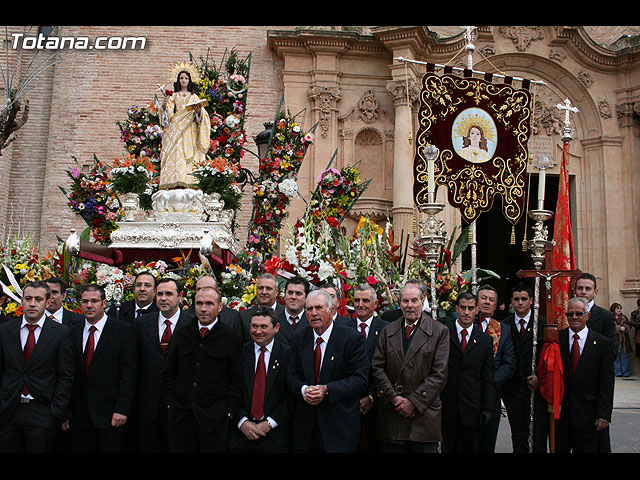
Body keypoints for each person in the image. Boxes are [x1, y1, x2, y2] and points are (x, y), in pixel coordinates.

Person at [161, 285, 243, 453]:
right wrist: (170, 403)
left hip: (214, 421)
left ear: (220, 307)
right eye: (199, 303)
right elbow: (168, 372)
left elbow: (237, 379)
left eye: (209, 304)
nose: (203, 309)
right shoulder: (182, 334)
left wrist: (228, 412)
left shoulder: (231, 337)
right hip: (181, 419)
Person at [371, 280, 450, 453]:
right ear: (399, 303)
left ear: (422, 301)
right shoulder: (388, 331)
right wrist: (394, 398)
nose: (410, 305)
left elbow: (439, 374)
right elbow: (377, 368)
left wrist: (413, 402)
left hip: (424, 416)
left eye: (414, 300)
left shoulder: (439, 332)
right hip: (393, 415)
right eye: (405, 301)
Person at [286, 289, 369, 453]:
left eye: (319, 308)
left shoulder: (351, 338)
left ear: (331, 311)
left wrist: (327, 390)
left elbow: (360, 379)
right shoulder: (299, 337)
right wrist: (304, 390)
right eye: (309, 309)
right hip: (306, 429)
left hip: (339, 428)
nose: (313, 313)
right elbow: (290, 374)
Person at [0, 281, 74, 452]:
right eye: (28, 298)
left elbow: (65, 376)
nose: (32, 303)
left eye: (38, 299)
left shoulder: (61, 333)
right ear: (21, 301)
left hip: (42, 411)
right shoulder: (5, 331)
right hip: (9, 410)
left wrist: (56, 411)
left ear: (47, 302)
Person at [65, 284, 137, 453]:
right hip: (79, 416)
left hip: (111, 415)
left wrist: (121, 409)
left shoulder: (123, 331)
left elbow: (129, 373)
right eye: (85, 301)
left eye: (94, 301)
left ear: (104, 303)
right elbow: (68, 374)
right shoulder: (72, 333)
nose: (89, 305)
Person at [131, 277, 193, 452]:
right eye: (160, 294)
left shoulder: (192, 324)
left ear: (180, 296)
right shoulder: (141, 324)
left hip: (181, 407)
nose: (163, 298)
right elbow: (133, 363)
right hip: (147, 407)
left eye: (169, 294)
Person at [228, 306, 293, 453]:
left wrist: (269, 423)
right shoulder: (239, 352)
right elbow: (229, 389)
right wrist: (242, 421)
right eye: (254, 326)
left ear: (276, 328)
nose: (258, 331)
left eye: (264, 326)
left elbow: (291, 396)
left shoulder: (287, 354)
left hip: (275, 436)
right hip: (240, 435)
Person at [555, 297, 614, 453]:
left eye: (579, 314)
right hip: (561, 415)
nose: (574, 317)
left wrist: (604, 414)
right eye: (570, 314)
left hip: (589, 415)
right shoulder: (556, 340)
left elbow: (606, 382)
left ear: (587, 316)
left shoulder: (602, 343)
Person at [441, 292, 497, 453]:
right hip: (447, 409)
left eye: (471, 308)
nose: (466, 312)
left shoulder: (485, 340)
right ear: (456, 308)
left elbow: (487, 377)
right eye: (463, 308)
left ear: (477, 310)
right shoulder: (444, 333)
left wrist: (488, 408)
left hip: (472, 410)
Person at [338, 283, 389, 452]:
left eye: (365, 301)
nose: (360, 305)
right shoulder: (342, 328)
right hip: (347, 403)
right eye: (357, 300)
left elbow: (390, 367)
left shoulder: (387, 329)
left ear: (375, 303)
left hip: (378, 405)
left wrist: (373, 397)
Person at [500, 282, 548, 453]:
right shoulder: (505, 325)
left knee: (538, 433)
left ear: (531, 300)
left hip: (536, 389)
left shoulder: (542, 323)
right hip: (513, 390)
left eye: (524, 299)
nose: (520, 303)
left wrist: (540, 378)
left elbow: (549, 356)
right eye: (516, 299)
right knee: (518, 434)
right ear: (511, 301)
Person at [574, 272, 616, 452]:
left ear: (595, 292)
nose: (583, 292)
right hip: (572, 396)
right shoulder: (568, 313)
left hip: (594, 390)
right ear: (574, 290)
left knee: (598, 443)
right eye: (580, 288)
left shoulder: (605, 316)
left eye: (588, 289)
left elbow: (611, 352)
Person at [475, 284, 516, 453]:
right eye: (483, 298)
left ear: (496, 305)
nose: (487, 302)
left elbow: (509, 363)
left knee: (487, 443)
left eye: (491, 300)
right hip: (466, 394)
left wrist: (491, 383)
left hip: (491, 395)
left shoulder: (503, 329)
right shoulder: (464, 324)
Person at [158, 66, 211, 190]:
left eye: (186, 78)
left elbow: (202, 115)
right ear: (178, 80)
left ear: (190, 80)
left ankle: (190, 180)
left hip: (190, 130)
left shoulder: (194, 97)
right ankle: (176, 179)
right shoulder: (174, 96)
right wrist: (164, 107)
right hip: (176, 128)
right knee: (177, 153)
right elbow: (168, 115)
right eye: (181, 78)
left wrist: (198, 111)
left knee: (190, 153)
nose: (184, 80)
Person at [187, 275, 244, 339]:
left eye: (208, 289)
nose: (203, 292)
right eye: (199, 289)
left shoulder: (232, 316)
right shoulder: (185, 316)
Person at [240, 273, 285, 342]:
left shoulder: (286, 314)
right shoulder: (243, 316)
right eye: (260, 288)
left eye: (268, 288)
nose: (264, 292)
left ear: (276, 292)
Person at [275, 276, 309, 345]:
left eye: (298, 293)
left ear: (306, 297)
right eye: (290, 293)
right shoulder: (273, 320)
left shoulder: (312, 322)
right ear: (284, 296)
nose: (293, 297)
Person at [610, 302, 632, 377]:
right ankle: (617, 372)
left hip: (624, 341)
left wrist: (625, 327)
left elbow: (629, 325)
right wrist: (618, 328)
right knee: (616, 357)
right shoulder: (610, 317)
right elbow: (609, 327)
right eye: (617, 308)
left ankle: (625, 372)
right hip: (615, 340)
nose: (619, 310)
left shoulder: (624, 317)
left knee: (625, 356)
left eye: (620, 308)